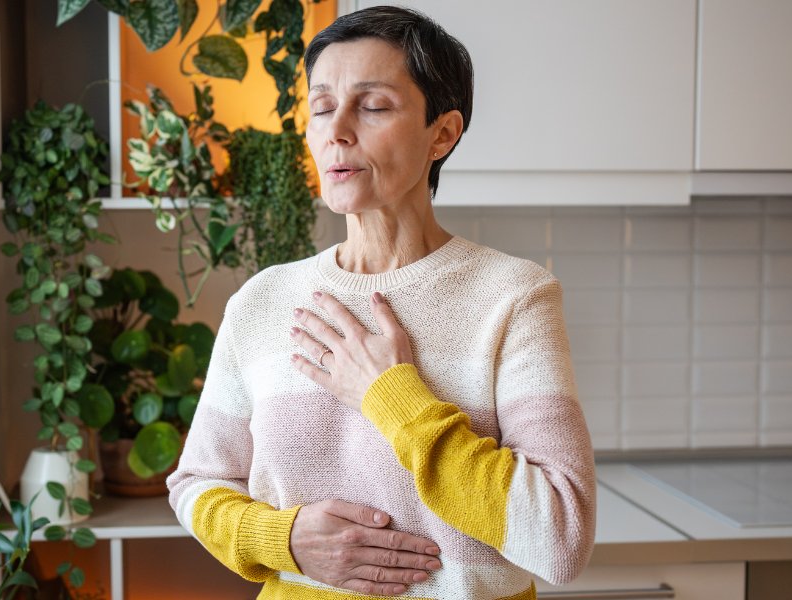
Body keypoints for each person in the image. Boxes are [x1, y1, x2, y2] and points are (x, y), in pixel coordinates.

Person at [166, 5, 595, 598]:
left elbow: (561, 538)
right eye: (321, 107)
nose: (336, 129)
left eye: (372, 106)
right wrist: (282, 539)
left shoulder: (513, 297)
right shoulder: (262, 302)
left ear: (442, 133)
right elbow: (196, 485)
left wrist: (389, 397)